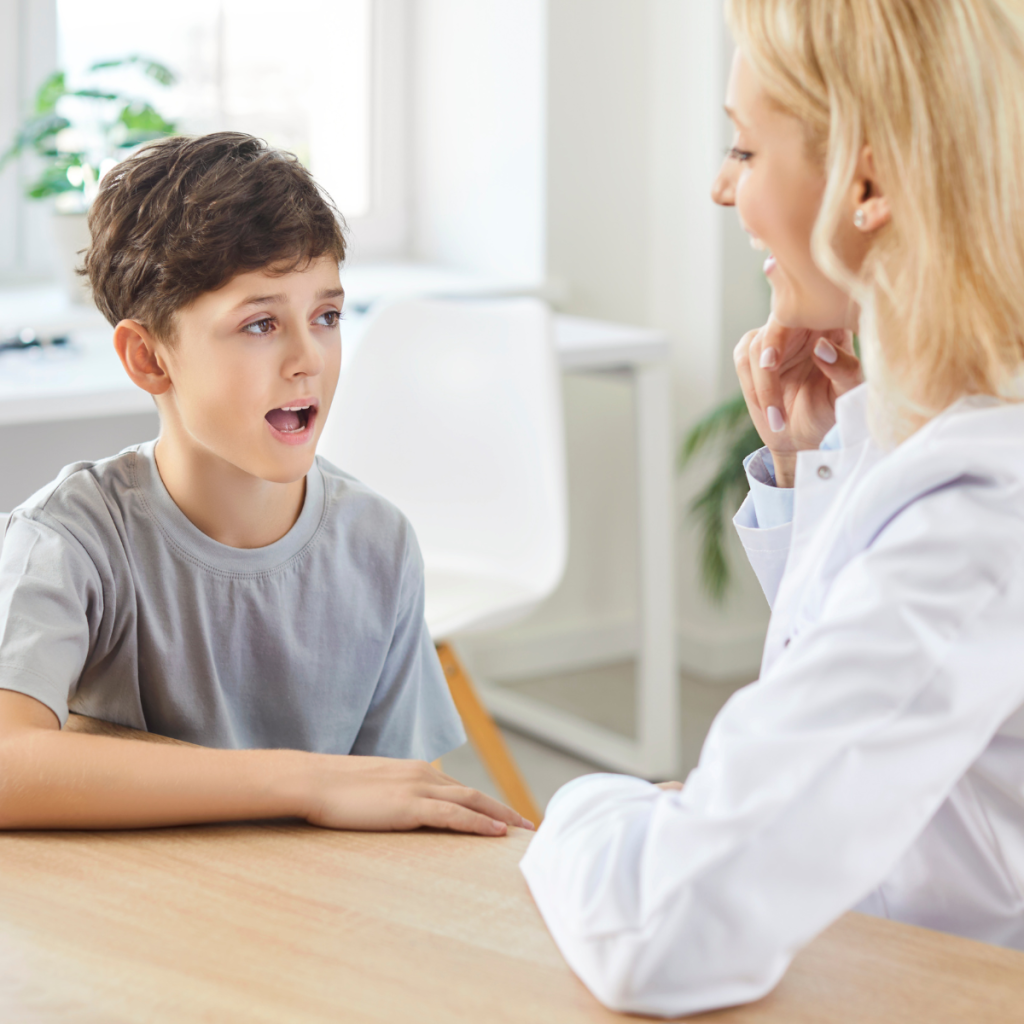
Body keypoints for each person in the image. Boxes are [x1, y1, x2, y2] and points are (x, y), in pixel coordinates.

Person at [520, 0, 1024, 1015]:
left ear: (867, 180)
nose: (719, 185)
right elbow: (853, 698)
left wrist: (594, 800)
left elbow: (662, 930)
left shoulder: (982, 506)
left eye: (743, 148)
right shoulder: (925, 429)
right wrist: (811, 463)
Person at [0, 132, 531, 838]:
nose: (308, 357)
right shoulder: (69, 542)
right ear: (149, 358)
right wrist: (303, 780)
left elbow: (394, 801)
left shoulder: (379, 543)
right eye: (259, 324)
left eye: (327, 316)